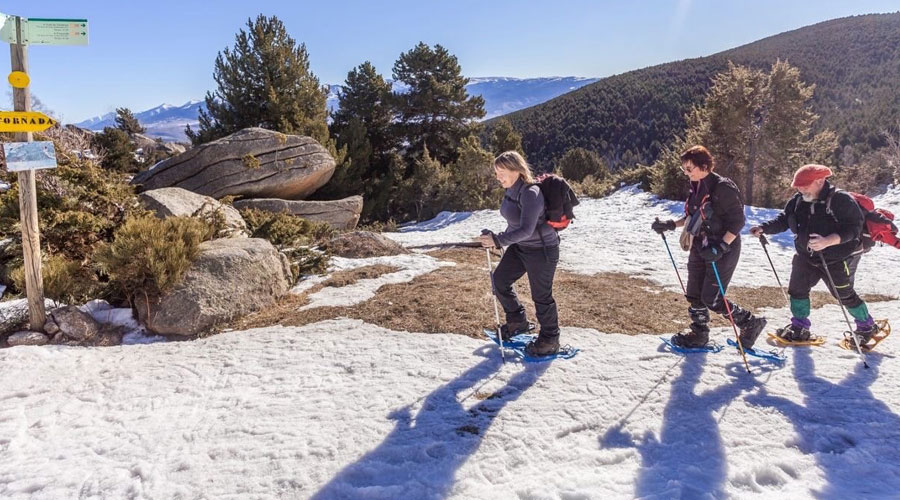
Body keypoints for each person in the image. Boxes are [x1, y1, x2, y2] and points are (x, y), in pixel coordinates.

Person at [749, 164, 879, 345]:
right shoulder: (798, 200)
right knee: (797, 290)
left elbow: (853, 229)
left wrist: (827, 241)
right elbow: (785, 219)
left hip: (835, 258)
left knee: (843, 294)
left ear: (820, 181)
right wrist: (764, 228)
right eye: (798, 186)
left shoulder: (841, 200)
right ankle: (800, 326)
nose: (800, 189)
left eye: (804, 185)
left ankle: (867, 326)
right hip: (806, 257)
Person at [652, 146, 767, 349]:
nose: (686, 173)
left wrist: (721, 247)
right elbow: (693, 216)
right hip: (700, 244)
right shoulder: (695, 185)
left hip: (723, 248)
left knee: (711, 298)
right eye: (684, 169)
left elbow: (738, 222)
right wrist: (670, 224)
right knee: (693, 293)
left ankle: (750, 322)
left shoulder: (723, 187)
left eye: (690, 168)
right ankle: (699, 333)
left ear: (704, 166)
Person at [478, 151, 561, 357]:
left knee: (541, 296)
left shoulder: (530, 193)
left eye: (502, 172)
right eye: (496, 172)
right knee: (500, 280)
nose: (498, 176)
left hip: (542, 250)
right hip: (521, 247)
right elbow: (514, 224)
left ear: (516, 170)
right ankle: (517, 322)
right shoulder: (510, 191)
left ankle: (550, 339)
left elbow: (526, 229)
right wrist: (496, 236)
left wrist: (498, 240)